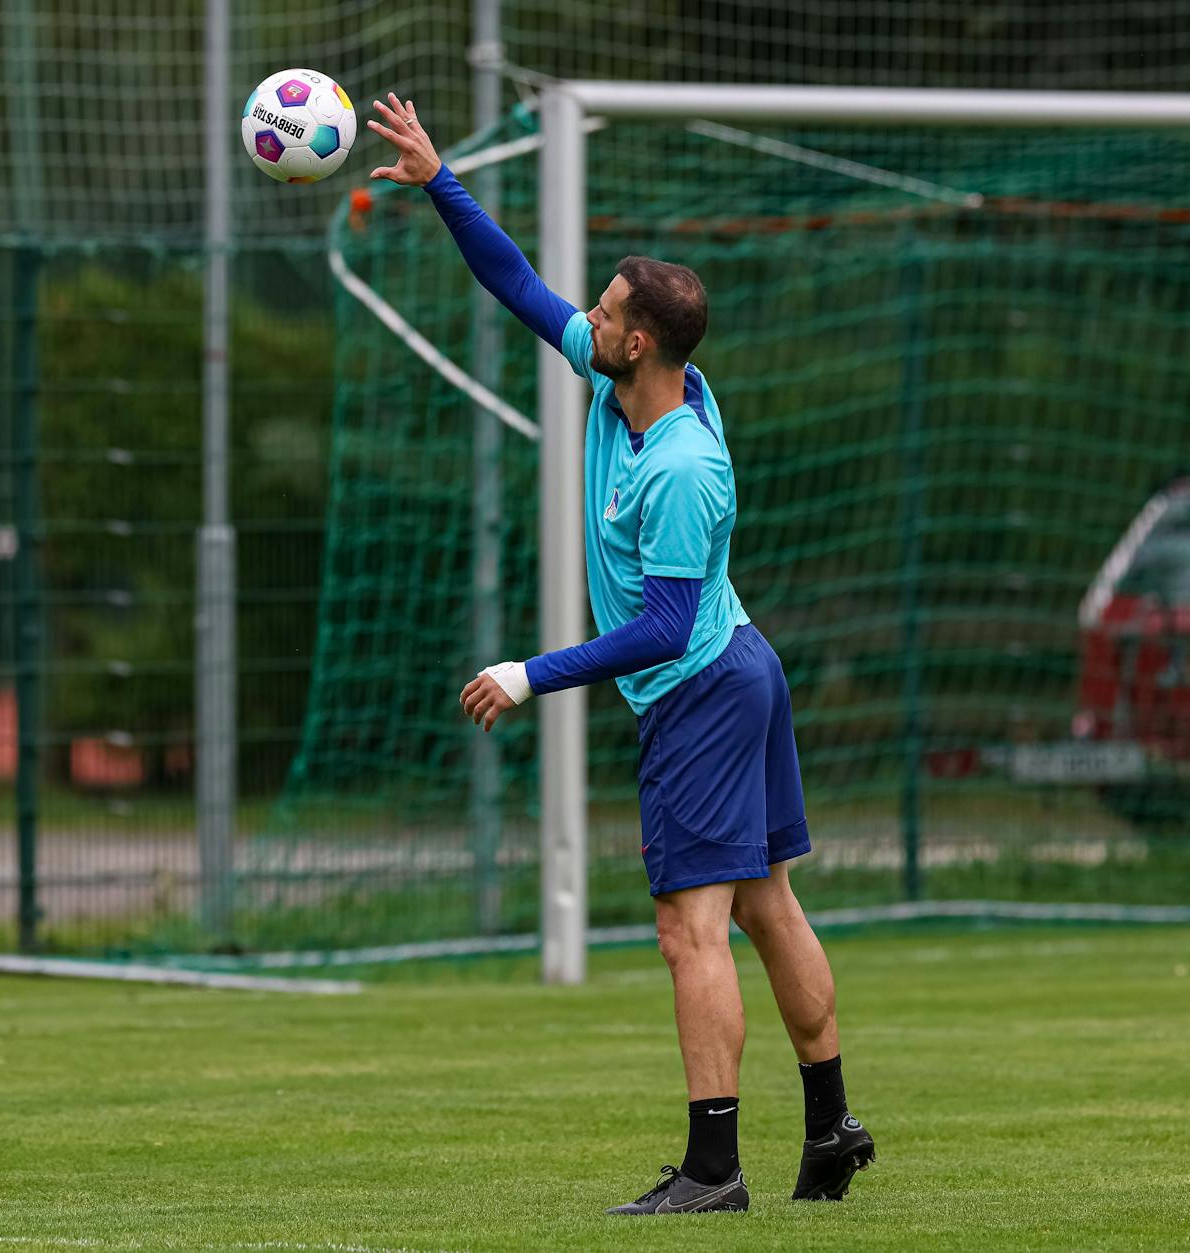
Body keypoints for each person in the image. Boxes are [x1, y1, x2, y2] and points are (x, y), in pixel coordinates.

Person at [367, 96, 875, 1214]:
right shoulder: (624, 382)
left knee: (689, 930)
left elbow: (660, 628)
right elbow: (516, 286)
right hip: (739, 668)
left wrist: (528, 673)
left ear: (637, 339)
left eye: (601, 311)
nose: (584, 318)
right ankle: (831, 1126)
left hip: (702, 687)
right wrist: (441, 180)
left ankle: (712, 1170)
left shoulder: (681, 466)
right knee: (767, 907)